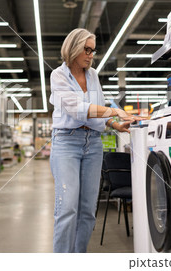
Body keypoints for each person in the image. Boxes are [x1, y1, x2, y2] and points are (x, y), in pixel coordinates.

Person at [49, 28, 142, 253]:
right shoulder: (59, 75)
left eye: (93, 50)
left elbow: (95, 110)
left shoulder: (92, 75)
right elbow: (77, 109)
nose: (91, 55)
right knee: (67, 207)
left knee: (88, 210)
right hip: (67, 143)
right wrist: (114, 112)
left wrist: (114, 124)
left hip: (93, 143)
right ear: (73, 48)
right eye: (86, 49)